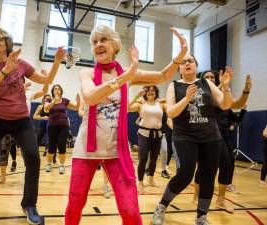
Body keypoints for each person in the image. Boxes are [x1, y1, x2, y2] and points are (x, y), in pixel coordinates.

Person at [64, 25, 187, 225]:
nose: (98, 45)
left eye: (103, 39)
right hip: (86, 149)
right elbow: (90, 97)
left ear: (115, 45)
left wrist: (179, 56)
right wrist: (125, 77)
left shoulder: (128, 74)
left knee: (130, 210)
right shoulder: (86, 73)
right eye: (94, 42)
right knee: (75, 203)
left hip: (117, 150)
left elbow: (163, 76)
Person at [0, 28, 65, 225]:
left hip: (21, 120)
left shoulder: (20, 64)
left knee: (33, 157)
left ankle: (29, 204)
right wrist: (5, 69)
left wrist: (56, 63)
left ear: (6, 42)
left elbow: (45, 80)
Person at [151, 55, 233, 225]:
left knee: (208, 177)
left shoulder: (207, 83)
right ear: (179, 69)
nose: (187, 63)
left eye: (190, 61)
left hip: (211, 137)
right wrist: (187, 98)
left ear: (196, 65)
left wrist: (225, 87)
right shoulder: (174, 86)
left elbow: (225, 105)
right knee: (185, 174)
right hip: (184, 136)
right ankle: (161, 206)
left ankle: (201, 217)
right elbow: (172, 112)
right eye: (183, 62)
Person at [193, 70, 251, 213]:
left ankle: (220, 200)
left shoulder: (222, 96)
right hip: (205, 137)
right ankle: (196, 195)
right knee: (203, 168)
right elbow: (208, 94)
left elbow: (235, 104)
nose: (210, 79)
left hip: (221, 137)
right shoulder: (199, 94)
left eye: (212, 77)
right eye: (207, 77)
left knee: (227, 164)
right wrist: (221, 85)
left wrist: (246, 91)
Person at [129, 86, 164, 193]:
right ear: (145, 93)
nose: (150, 92)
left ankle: (151, 179)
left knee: (153, 159)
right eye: (148, 90)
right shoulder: (141, 104)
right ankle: (140, 182)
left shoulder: (161, 104)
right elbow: (126, 107)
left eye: (153, 90)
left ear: (156, 92)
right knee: (143, 158)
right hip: (143, 134)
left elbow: (172, 106)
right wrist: (136, 96)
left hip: (157, 134)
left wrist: (166, 99)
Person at [44, 84, 80, 174]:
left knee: (61, 144)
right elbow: (46, 109)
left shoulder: (65, 101)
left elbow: (76, 108)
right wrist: (54, 101)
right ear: (52, 91)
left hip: (64, 126)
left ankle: (62, 165)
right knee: (52, 145)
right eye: (55, 89)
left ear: (61, 91)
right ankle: (49, 164)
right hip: (52, 125)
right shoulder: (48, 100)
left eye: (58, 89)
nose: (57, 90)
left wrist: (78, 102)